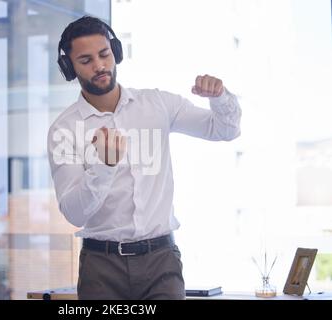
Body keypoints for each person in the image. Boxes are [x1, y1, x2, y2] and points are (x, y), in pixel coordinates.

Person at [47, 15, 242, 300]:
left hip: (161, 260)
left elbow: (225, 130)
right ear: (69, 68)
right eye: (86, 60)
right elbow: (74, 213)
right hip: (101, 267)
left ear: (116, 52)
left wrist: (220, 97)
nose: (100, 66)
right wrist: (104, 166)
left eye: (104, 54)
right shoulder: (63, 130)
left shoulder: (158, 105)